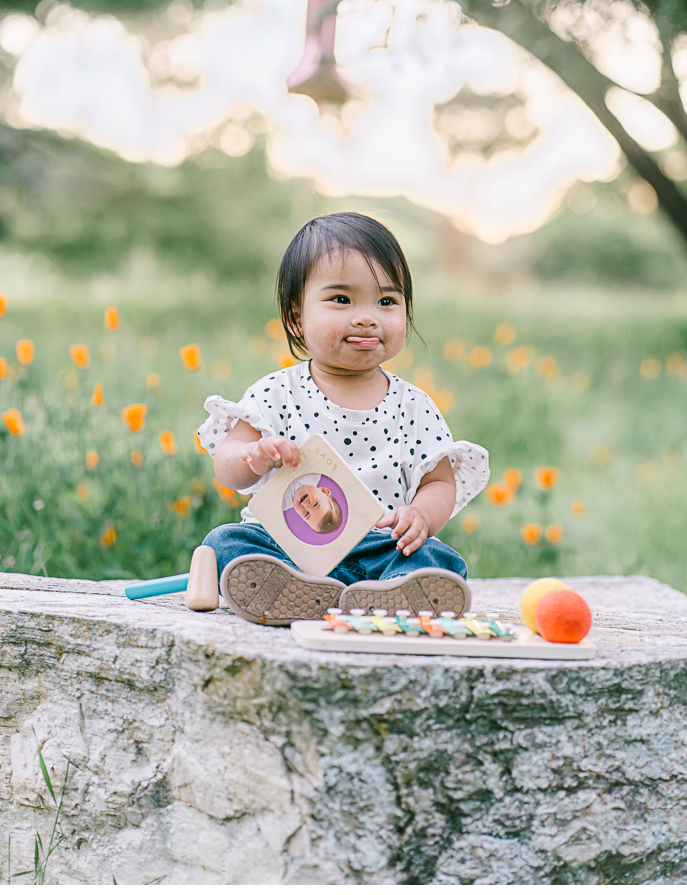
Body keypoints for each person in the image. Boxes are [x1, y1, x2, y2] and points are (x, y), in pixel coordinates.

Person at [197, 212, 489, 625]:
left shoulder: (414, 406)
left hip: (379, 550)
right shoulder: (275, 393)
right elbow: (227, 463)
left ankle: (384, 596)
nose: (367, 316)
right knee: (225, 543)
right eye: (342, 299)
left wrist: (421, 515)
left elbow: (440, 482)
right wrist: (253, 455)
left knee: (439, 558)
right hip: (286, 546)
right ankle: (296, 590)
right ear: (296, 316)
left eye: (387, 301)